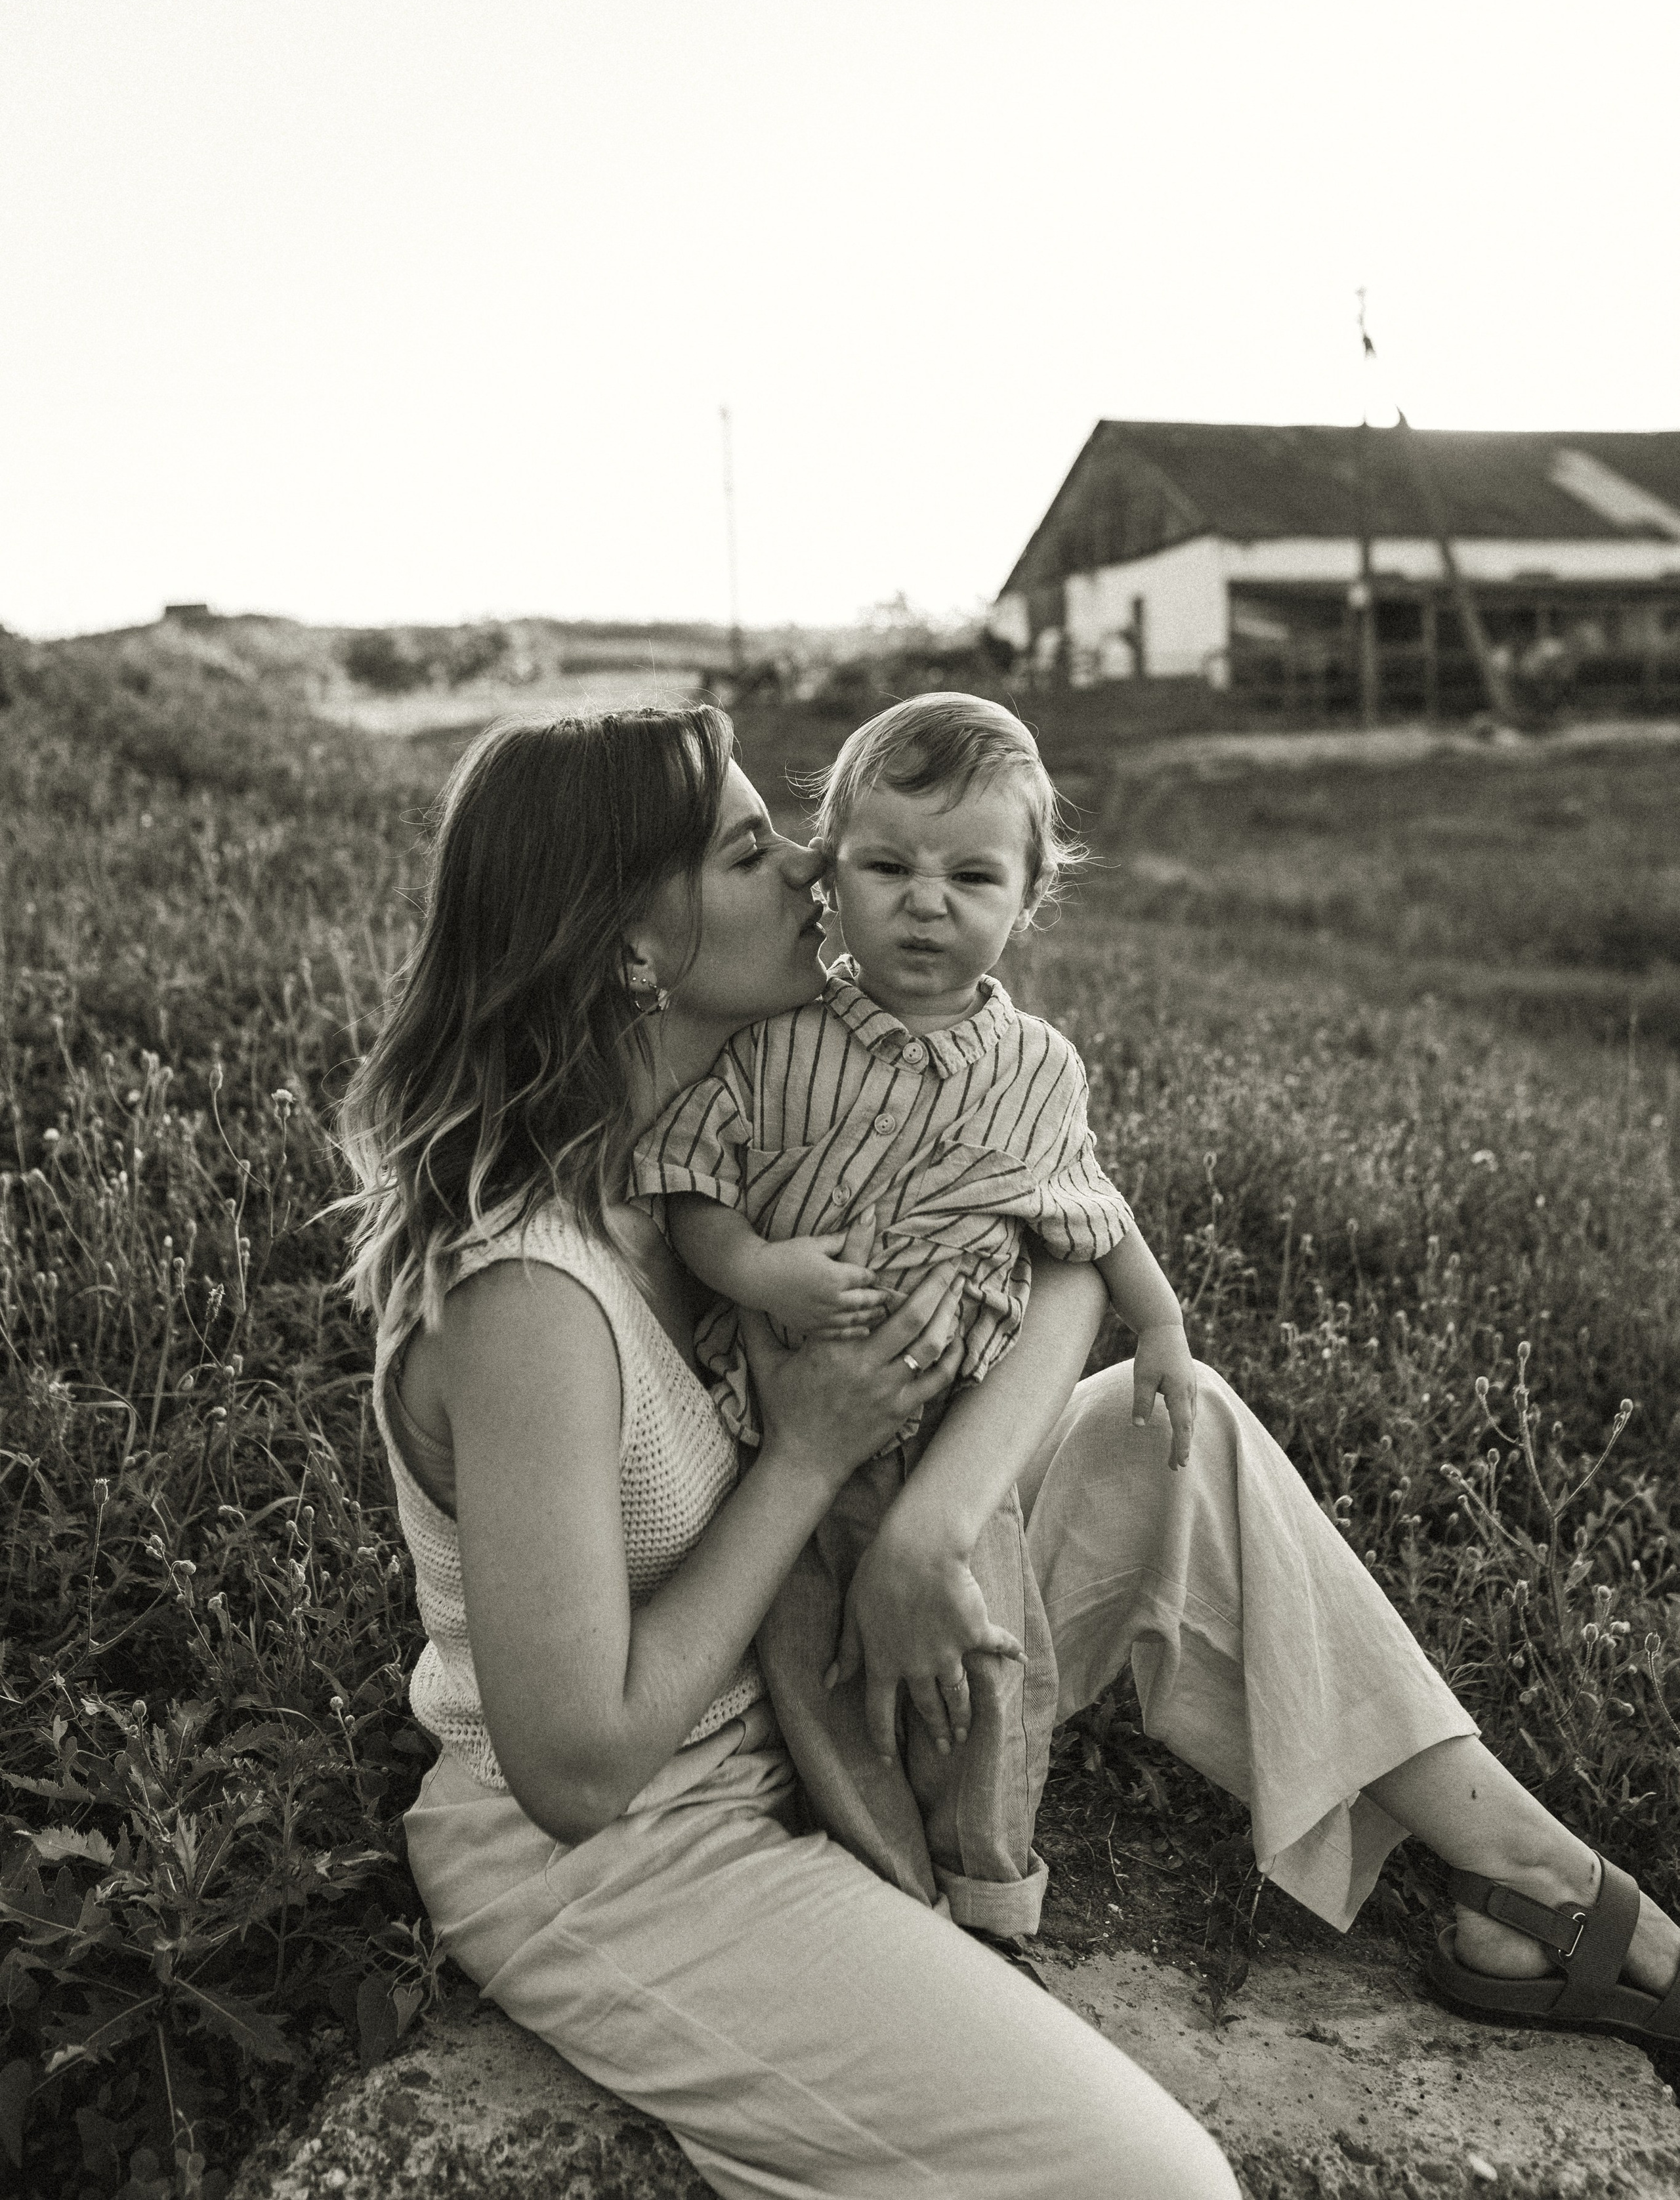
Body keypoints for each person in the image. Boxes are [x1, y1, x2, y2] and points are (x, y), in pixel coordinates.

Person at [338, 704, 1679, 2200]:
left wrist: (934, 1524)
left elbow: (1058, 1256)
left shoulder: (743, 1121)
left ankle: (1552, 1892)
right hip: (635, 1858)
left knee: (1176, 1432)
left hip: (824, 1661)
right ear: (629, 950)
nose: (806, 866)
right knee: (1160, 2187)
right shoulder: (529, 1296)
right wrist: (800, 1464)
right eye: (744, 848)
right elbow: (574, 1769)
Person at [631, 694, 1196, 1939]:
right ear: (829, 873)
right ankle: (890, 1886)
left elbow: (1085, 1204)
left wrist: (1160, 1326)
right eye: (887, 865)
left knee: (981, 1662)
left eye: (972, 876)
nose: (926, 902)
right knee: (819, 1680)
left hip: (948, 1437)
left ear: (1030, 894)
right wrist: (764, 1272)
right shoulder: (779, 1044)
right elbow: (691, 1188)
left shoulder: (1039, 1067)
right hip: (776, 1434)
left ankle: (994, 1889)